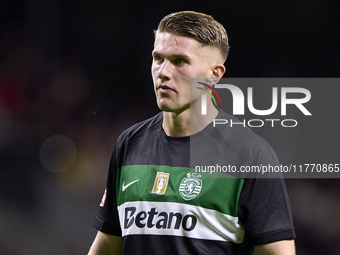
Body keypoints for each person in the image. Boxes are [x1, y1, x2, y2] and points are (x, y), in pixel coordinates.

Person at [88, 11, 296, 255]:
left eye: (179, 61)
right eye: (158, 58)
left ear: (214, 75)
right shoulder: (129, 144)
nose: (163, 72)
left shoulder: (250, 155)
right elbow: (108, 244)